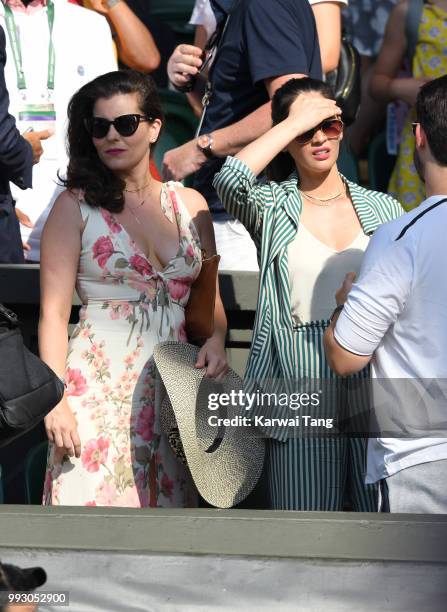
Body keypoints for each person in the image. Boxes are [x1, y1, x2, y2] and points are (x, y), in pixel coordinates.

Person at [39, 70, 228, 507]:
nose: (112, 136)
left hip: (175, 395)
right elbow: (52, 315)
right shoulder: (75, 206)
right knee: (92, 526)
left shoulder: (191, 206)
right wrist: (56, 402)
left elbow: (209, 303)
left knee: (169, 536)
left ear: (154, 127)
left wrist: (216, 341)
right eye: (99, 126)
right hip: (96, 392)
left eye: (125, 124)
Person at [213, 77, 403, 511]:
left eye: (329, 125)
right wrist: (291, 121)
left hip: (369, 382)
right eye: (304, 130)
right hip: (295, 380)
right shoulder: (272, 205)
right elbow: (230, 181)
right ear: (285, 138)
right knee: (306, 528)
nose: (318, 137)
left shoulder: (385, 208)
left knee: (376, 530)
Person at [324, 75, 447, 514]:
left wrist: (343, 306)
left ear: (419, 136)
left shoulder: (401, 237)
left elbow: (344, 357)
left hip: (420, 463)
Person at [163, 0, 322, 272]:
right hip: (240, 211)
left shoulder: (264, 6)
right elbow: (235, 106)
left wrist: (201, 148)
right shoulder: (241, 8)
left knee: (241, 315)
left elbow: (295, 104)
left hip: (247, 215)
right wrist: (190, 82)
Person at [0, 0, 117, 261]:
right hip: (7, 219)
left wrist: (92, 215)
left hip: (76, 222)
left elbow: (108, 126)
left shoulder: (91, 24)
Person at [176, 0, 347, 117]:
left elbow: (327, 55)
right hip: (226, 127)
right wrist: (186, 76)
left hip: (279, 135)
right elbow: (206, 67)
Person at [370, 0, 447, 210]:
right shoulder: (411, 13)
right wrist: (399, 88)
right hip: (426, 141)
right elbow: (376, 83)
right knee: (416, 223)